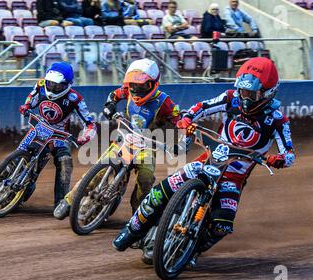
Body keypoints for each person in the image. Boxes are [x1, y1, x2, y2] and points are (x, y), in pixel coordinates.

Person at [112, 57, 296, 266]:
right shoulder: (231, 98)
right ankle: (131, 230)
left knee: (222, 224)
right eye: (242, 92)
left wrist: (279, 159)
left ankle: (191, 250)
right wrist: (187, 119)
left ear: (268, 93)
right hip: (208, 160)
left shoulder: (278, 120)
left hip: (234, 176)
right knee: (160, 192)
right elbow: (201, 106)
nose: (245, 99)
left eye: (251, 94)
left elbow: (290, 154)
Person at [54, 59, 181, 232]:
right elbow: (113, 96)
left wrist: (181, 141)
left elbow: (180, 121)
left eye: (141, 86)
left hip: (148, 145)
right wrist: (110, 106)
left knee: (145, 178)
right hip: (126, 137)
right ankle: (69, 201)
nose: (135, 90)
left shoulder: (165, 102)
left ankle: (140, 217)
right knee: (98, 170)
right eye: (133, 85)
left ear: (153, 84)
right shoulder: (128, 90)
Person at [0, 62, 97, 210]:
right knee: (17, 156)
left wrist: (85, 137)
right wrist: (26, 106)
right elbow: (31, 98)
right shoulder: (40, 85)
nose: (52, 88)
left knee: (65, 162)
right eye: (50, 84)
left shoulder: (75, 98)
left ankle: (61, 203)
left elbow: (90, 123)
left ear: (67, 84)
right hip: (39, 127)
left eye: (57, 85)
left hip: (60, 136)